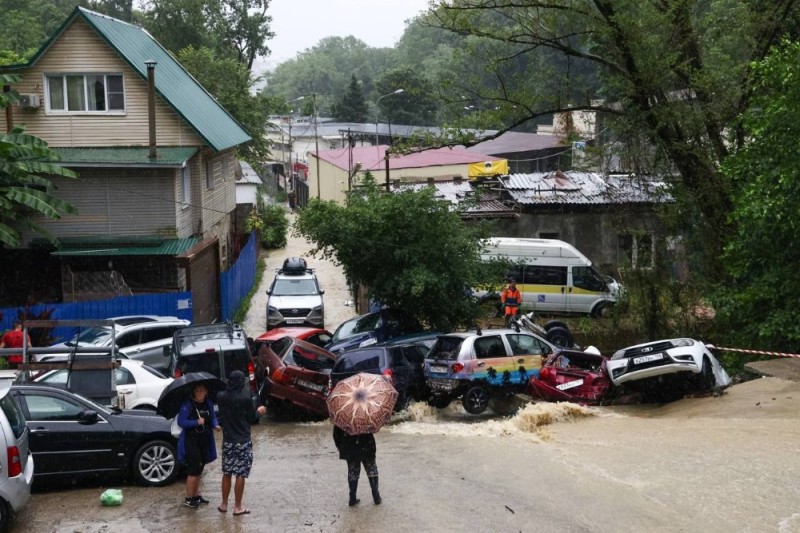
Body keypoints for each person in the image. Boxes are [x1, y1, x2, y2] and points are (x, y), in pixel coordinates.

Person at [215, 370, 266, 516]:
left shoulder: (220, 397)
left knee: (227, 472)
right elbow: (251, 418)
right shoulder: (245, 399)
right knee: (240, 473)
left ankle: (224, 504)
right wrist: (260, 411)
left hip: (228, 441)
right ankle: (237, 507)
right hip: (242, 440)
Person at [177, 382, 220, 509]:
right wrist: (196, 422)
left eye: (202, 390)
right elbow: (181, 422)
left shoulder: (209, 403)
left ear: (206, 392)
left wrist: (215, 425)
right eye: (198, 391)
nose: (200, 393)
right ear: (194, 392)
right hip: (191, 441)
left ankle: (196, 496)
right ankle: (189, 498)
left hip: (205, 440)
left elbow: (212, 417)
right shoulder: (188, 404)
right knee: (193, 470)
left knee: (200, 469)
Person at [332, 425, 381, 506]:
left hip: (350, 446)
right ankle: (376, 496)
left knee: (353, 470)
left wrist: (339, 445)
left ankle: (352, 497)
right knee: (371, 468)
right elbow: (373, 428)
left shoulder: (344, 415)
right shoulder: (366, 413)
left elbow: (336, 434)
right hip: (367, 444)